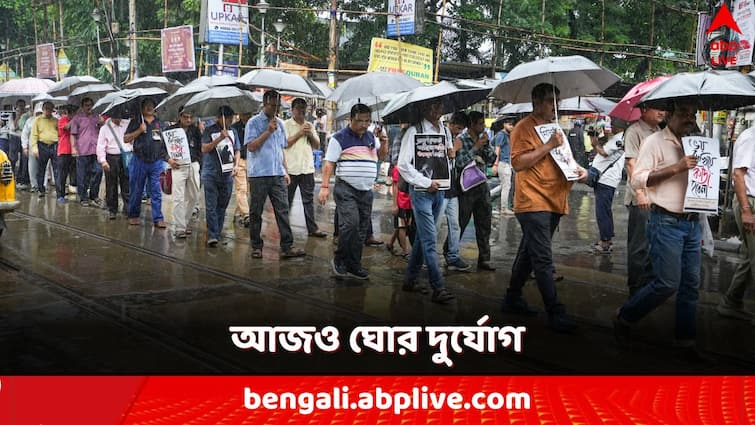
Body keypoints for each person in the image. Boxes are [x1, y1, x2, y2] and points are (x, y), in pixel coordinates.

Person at [614, 100, 701, 356]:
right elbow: (639, 178)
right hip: (665, 221)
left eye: (692, 114)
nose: (689, 118)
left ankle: (686, 341)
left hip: (692, 222)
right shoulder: (654, 142)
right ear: (670, 116)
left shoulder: (696, 142)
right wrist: (676, 167)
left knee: (691, 285)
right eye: (684, 113)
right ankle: (625, 316)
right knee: (666, 283)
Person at [500, 83, 587, 333]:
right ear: (536, 102)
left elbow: (565, 159)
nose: (554, 106)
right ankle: (555, 311)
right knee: (542, 257)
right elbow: (518, 163)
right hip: (533, 200)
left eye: (557, 101)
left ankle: (512, 297)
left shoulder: (556, 128)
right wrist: (548, 145)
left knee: (529, 252)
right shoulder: (523, 127)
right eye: (550, 101)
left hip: (554, 199)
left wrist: (578, 169)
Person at [317, 103, 387, 279]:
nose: (364, 124)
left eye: (367, 121)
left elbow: (382, 156)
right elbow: (329, 163)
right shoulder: (339, 138)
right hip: (346, 188)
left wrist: (384, 141)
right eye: (360, 121)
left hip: (366, 190)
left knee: (362, 229)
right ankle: (340, 259)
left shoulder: (371, 137)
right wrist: (324, 187)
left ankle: (354, 264)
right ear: (350, 119)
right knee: (351, 224)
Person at [397, 98, 456, 304]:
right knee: (430, 240)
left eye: (439, 106)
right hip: (422, 191)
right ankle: (438, 287)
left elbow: (447, 160)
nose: (437, 110)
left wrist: (451, 155)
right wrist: (424, 181)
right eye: (433, 106)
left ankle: (410, 280)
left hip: (440, 190)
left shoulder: (445, 131)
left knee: (424, 238)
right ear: (424, 109)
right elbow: (403, 165)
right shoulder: (414, 131)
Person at [245, 90, 305, 259]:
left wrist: (285, 170)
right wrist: (268, 132)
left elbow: (281, 149)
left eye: (278, 105)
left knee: (283, 210)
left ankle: (287, 245)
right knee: (256, 212)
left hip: (277, 173)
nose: (276, 108)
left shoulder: (279, 123)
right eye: (273, 105)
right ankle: (256, 246)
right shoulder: (253, 123)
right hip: (259, 174)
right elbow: (251, 146)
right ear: (265, 103)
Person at [623, 105, 666, 295]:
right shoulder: (635, 131)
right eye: (658, 108)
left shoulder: (660, 132)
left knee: (654, 243)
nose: (661, 112)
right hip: (640, 198)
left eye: (664, 109)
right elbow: (631, 164)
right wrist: (640, 192)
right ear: (644, 109)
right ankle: (635, 287)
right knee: (639, 245)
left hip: (657, 197)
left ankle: (647, 286)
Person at [716, 123, 755, 322]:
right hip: (750, 202)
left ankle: (731, 302)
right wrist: (747, 211)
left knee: (751, 256)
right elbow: (738, 174)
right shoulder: (750, 137)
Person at [456, 111, 497, 271]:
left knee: (484, 222)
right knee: (461, 222)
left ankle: (484, 259)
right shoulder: (461, 139)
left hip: (481, 185)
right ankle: (450, 252)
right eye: (480, 123)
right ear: (472, 124)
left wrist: (485, 146)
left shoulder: (484, 138)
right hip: (466, 187)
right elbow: (459, 162)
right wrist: (475, 147)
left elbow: (492, 158)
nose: (483, 126)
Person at [284, 98, 326, 238]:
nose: (302, 111)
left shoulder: (310, 125)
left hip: (307, 168)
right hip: (291, 169)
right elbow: (285, 144)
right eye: (299, 108)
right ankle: (284, 229)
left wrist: (309, 134)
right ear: (292, 109)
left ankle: (312, 228)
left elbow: (317, 145)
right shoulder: (286, 125)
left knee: (308, 200)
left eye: (304, 108)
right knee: (287, 201)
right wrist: (299, 133)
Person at [124, 98, 169, 228]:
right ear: (142, 108)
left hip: (156, 162)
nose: (150, 107)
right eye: (147, 105)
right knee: (136, 190)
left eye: (152, 105)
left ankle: (158, 218)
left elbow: (165, 142)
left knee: (156, 190)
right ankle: (133, 215)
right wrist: (139, 130)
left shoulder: (160, 123)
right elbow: (126, 138)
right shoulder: (136, 121)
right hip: (139, 160)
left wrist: (166, 158)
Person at [201, 106, 240, 247]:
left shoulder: (233, 131)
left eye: (231, 118)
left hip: (227, 175)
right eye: (228, 118)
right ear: (220, 118)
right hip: (211, 174)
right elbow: (204, 148)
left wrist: (236, 165)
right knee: (211, 206)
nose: (230, 121)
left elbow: (237, 150)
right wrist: (219, 139)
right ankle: (212, 235)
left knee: (222, 205)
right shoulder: (209, 130)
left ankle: (217, 232)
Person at [440, 112, 471, 272]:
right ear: (451, 123)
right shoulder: (441, 134)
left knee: (455, 224)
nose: (459, 131)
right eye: (458, 127)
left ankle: (453, 255)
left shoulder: (455, 138)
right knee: (434, 225)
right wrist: (453, 149)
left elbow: (457, 161)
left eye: (462, 129)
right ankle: (424, 256)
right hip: (440, 187)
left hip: (452, 187)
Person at [589, 125, 626, 254]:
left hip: (606, 179)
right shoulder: (618, 138)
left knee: (602, 212)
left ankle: (605, 243)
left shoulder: (618, 139)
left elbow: (604, 152)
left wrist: (594, 144)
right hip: (607, 179)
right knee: (605, 211)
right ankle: (607, 239)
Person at [166, 109, 202, 238]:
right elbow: (162, 148)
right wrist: (169, 160)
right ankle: (180, 227)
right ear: (180, 117)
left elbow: (200, 147)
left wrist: (198, 162)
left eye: (190, 117)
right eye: (186, 117)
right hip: (178, 165)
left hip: (192, 164)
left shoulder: (195, 130)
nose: (188, 120)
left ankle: (185, 222)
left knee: (194, 196)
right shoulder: (170, 130)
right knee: (178, 197)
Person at [71, 97, 104, 207]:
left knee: (98, 171)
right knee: (82, 175)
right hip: (82, 149)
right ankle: (83, 196)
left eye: (90, 105)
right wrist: (73, 148)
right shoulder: (77, 118)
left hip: (96, 149)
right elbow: (73, 134)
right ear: (82, 106)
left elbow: (103, 131)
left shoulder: (97, 117)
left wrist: (101, 123)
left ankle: (94, 195)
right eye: (86, 105)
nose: (89, 107)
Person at [96, 115, 131, 219]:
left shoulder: (127, 124)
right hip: (111, 157)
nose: (118, 117)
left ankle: (128, 208)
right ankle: (112, 209)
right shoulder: (105, 128)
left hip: (126, 157)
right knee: (111, 184)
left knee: (127, 183)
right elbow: (100, 145)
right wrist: (103, 161)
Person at [29, 101, 59, 197]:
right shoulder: (37, 120)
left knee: (57, 170)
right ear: (43, 109)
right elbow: (34, 135)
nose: (48, 111)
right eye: (46, 108)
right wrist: (34, 148)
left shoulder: (55, 120)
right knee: (41, 169)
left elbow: (60, 133)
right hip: (42, 146)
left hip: (54, 145)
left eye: (50, 109)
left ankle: (59, 191)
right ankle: (41, 189)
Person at [231, 112, 252, 226]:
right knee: (241, 189)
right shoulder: (234, 128)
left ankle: (237, 213)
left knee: (247, 190)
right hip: (239, 160)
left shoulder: (254, 125)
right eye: (245, 113)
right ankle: (246, 214)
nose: (247, 116)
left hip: (252, 160)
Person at [493, 117, 515, 216]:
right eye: (510, 124)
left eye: (512, 125)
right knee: (506, 186)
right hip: (503, 163)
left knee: (504, 185)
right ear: (504, 124)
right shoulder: (501, 135)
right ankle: (504, 208)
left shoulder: (507, 135)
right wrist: (495, 164)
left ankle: (488, 196)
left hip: (507, 163)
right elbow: (497, 150)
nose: (512, 127)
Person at [56, 105, 76, 203]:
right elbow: (67, 127)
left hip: (74, 151)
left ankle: (73, 189)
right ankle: (60, 194)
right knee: (62, 175)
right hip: (64, 150)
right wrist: (74, 119)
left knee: (74, 174)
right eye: (72, 113)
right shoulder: (62, 119)